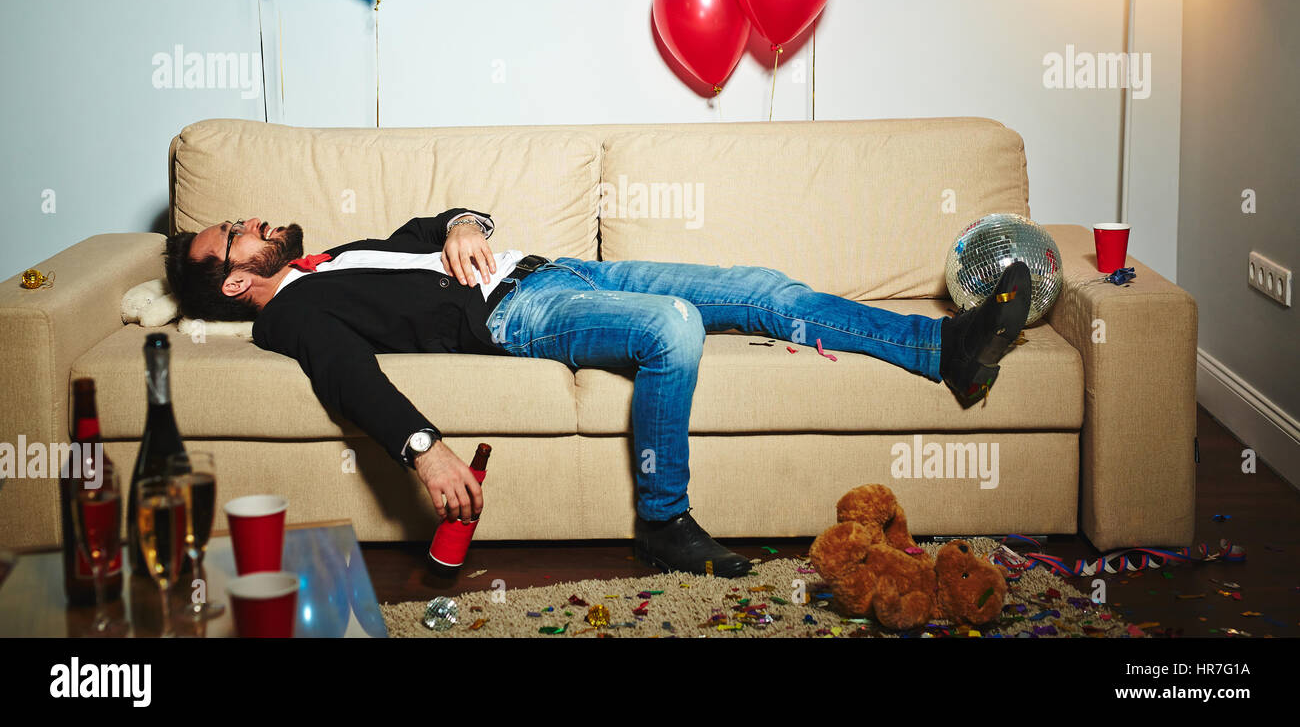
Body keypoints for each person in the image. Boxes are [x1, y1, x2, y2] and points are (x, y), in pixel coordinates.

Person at [164, 208, 1031, 578]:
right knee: (673, 328)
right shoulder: (295, 312)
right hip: (519, 313)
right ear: (237, 284)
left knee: (761, 286)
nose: (254, 224)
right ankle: (664, 519)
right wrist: (423, 451)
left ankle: (945, 350)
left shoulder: (336, 256)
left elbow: (429, 229)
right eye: (237, 235)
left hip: (557, 268)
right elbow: (347, 377)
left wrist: (466, 225)